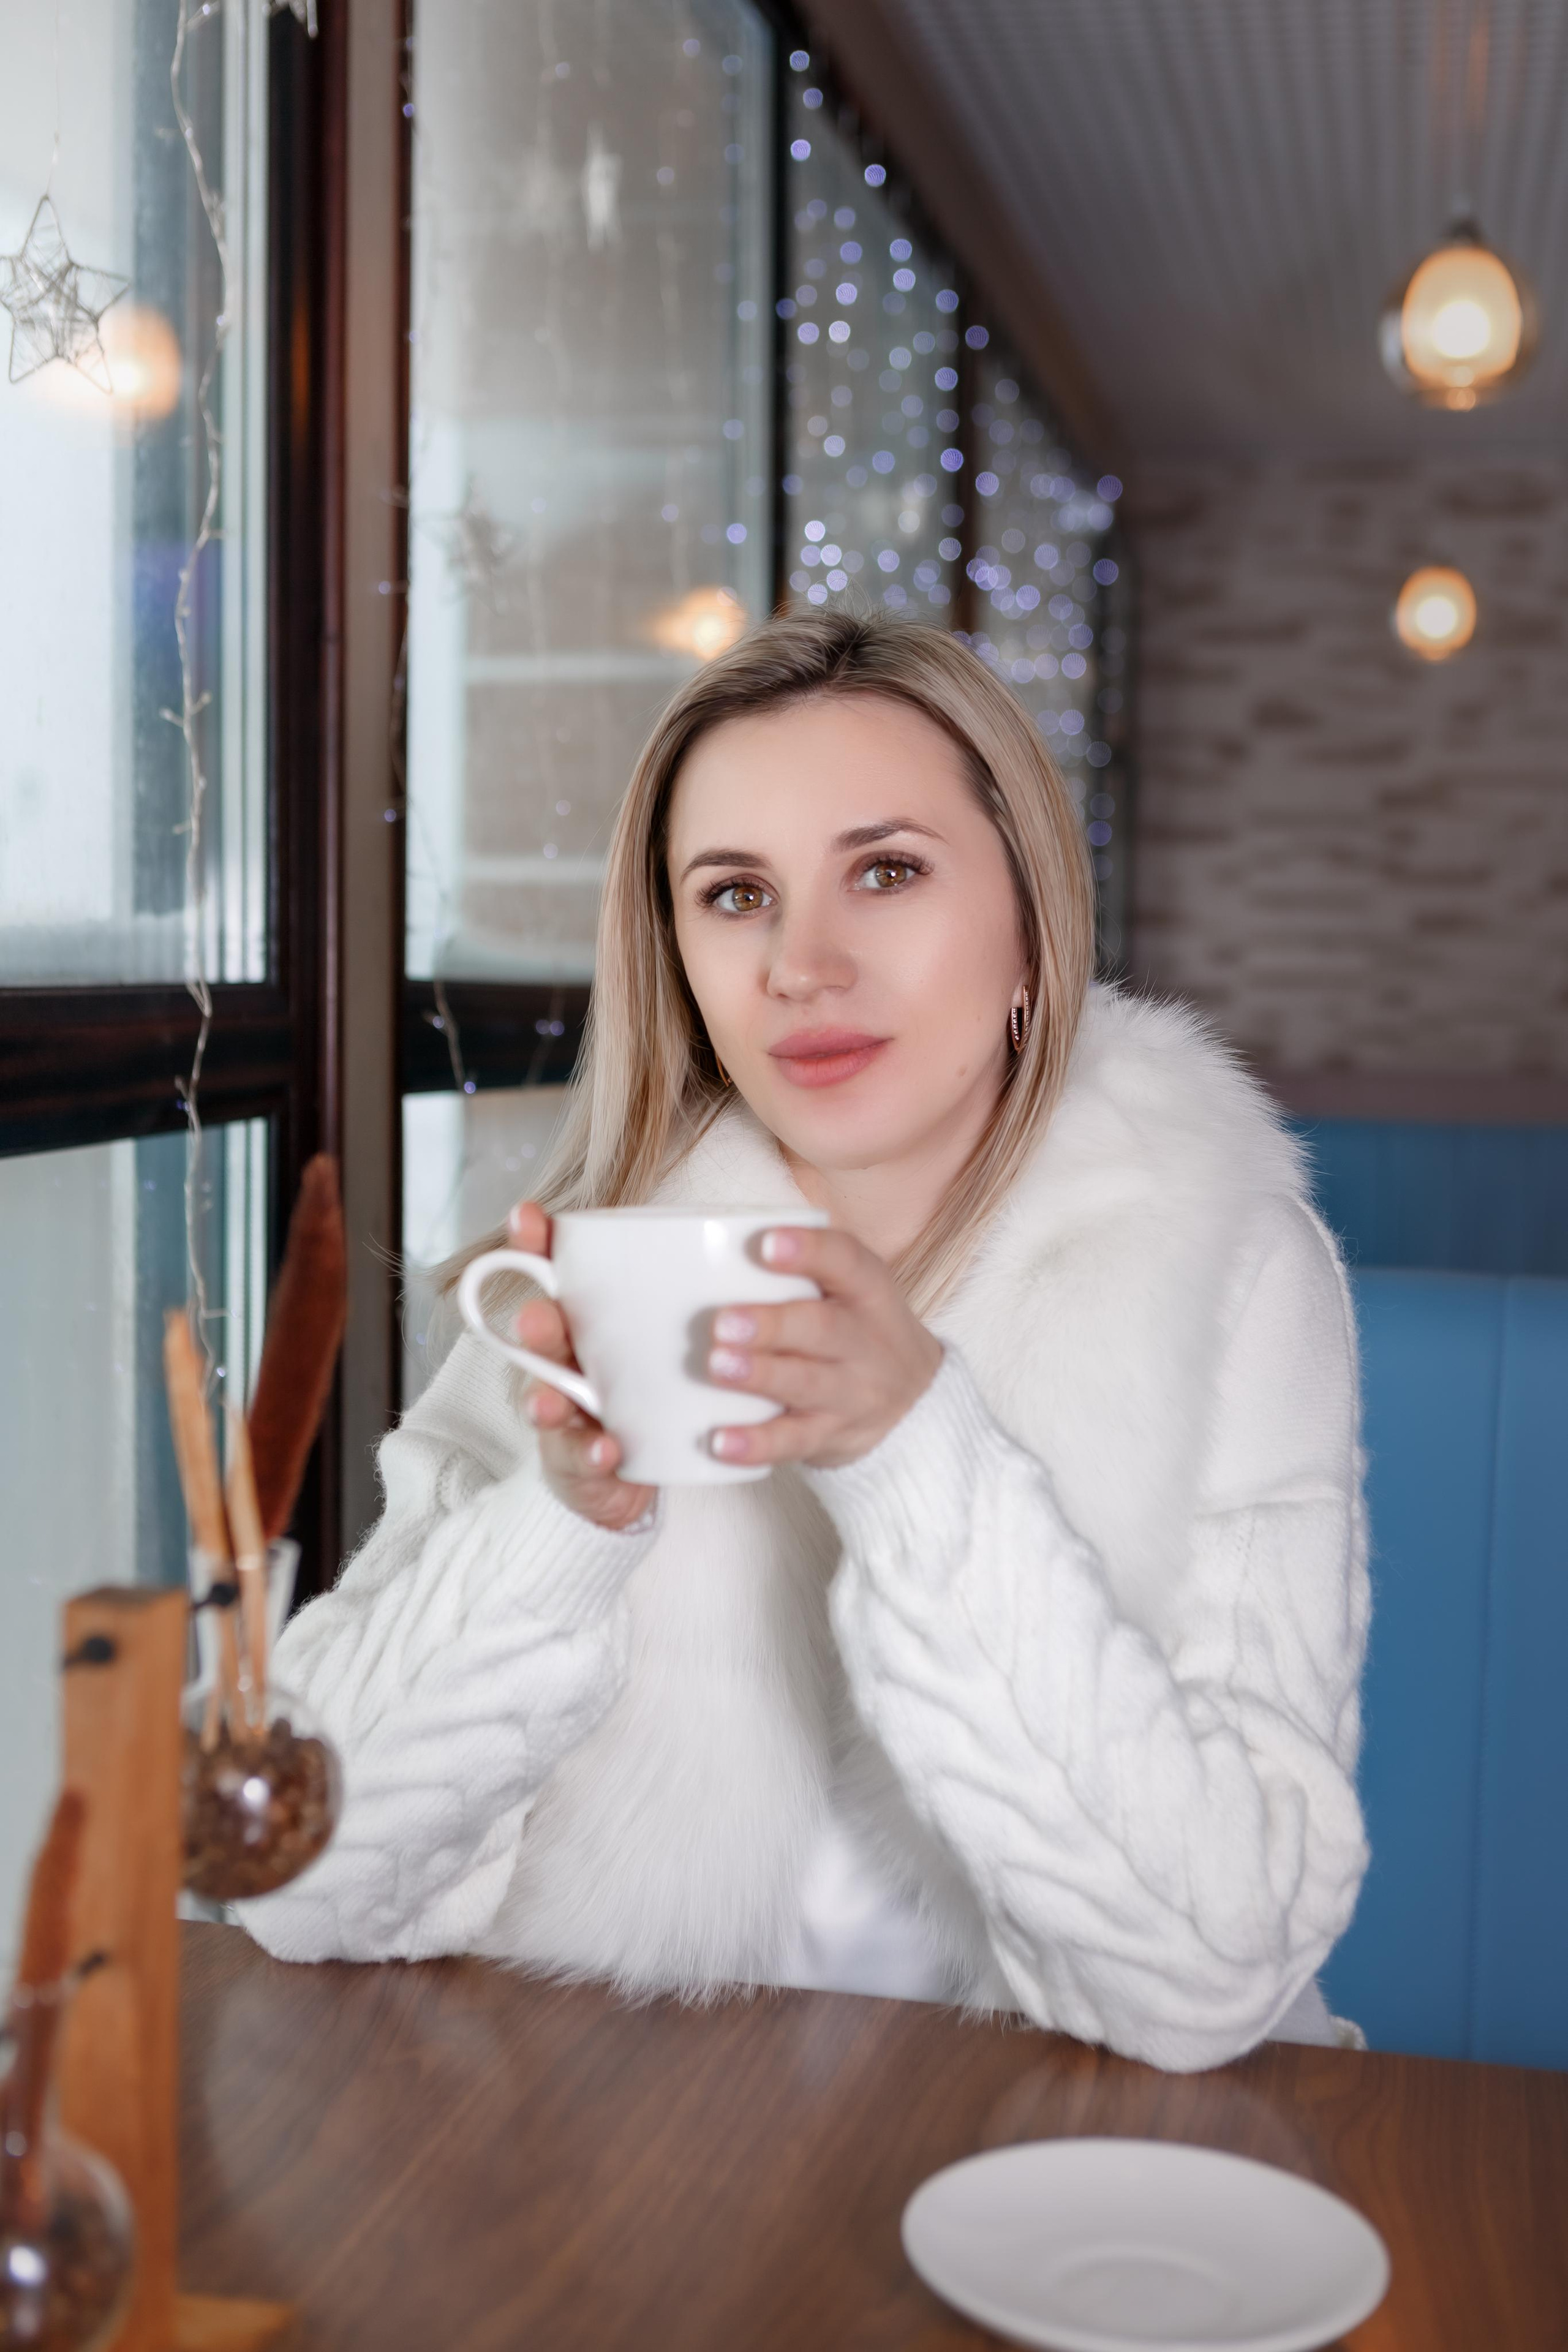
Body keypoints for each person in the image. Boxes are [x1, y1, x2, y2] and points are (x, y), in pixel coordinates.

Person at [241, 611, 1370, 2072]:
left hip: (1078, 2165)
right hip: (637, 2146)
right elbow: (299, 1880)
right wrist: (556, 1528)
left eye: (885, 872)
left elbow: (1214, 1969)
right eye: (733, 895)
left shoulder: (1224, 1258)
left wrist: (917, 1455)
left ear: (1030, 921)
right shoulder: (602, 1264)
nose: (801, 963)